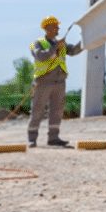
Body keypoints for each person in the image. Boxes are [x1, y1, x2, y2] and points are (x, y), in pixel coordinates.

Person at [28, 16, 82, 148]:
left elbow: (74, 50)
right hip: (43, 81)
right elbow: (40, 56)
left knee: (57, 111)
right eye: (55, 26)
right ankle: (32, 139)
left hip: (60, 82)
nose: (58, 28)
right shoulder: (38, 43)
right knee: (37, 110)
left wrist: (85, 39)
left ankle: (53, 138)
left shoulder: (61, 43)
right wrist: (54, 49)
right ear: (47, 28)